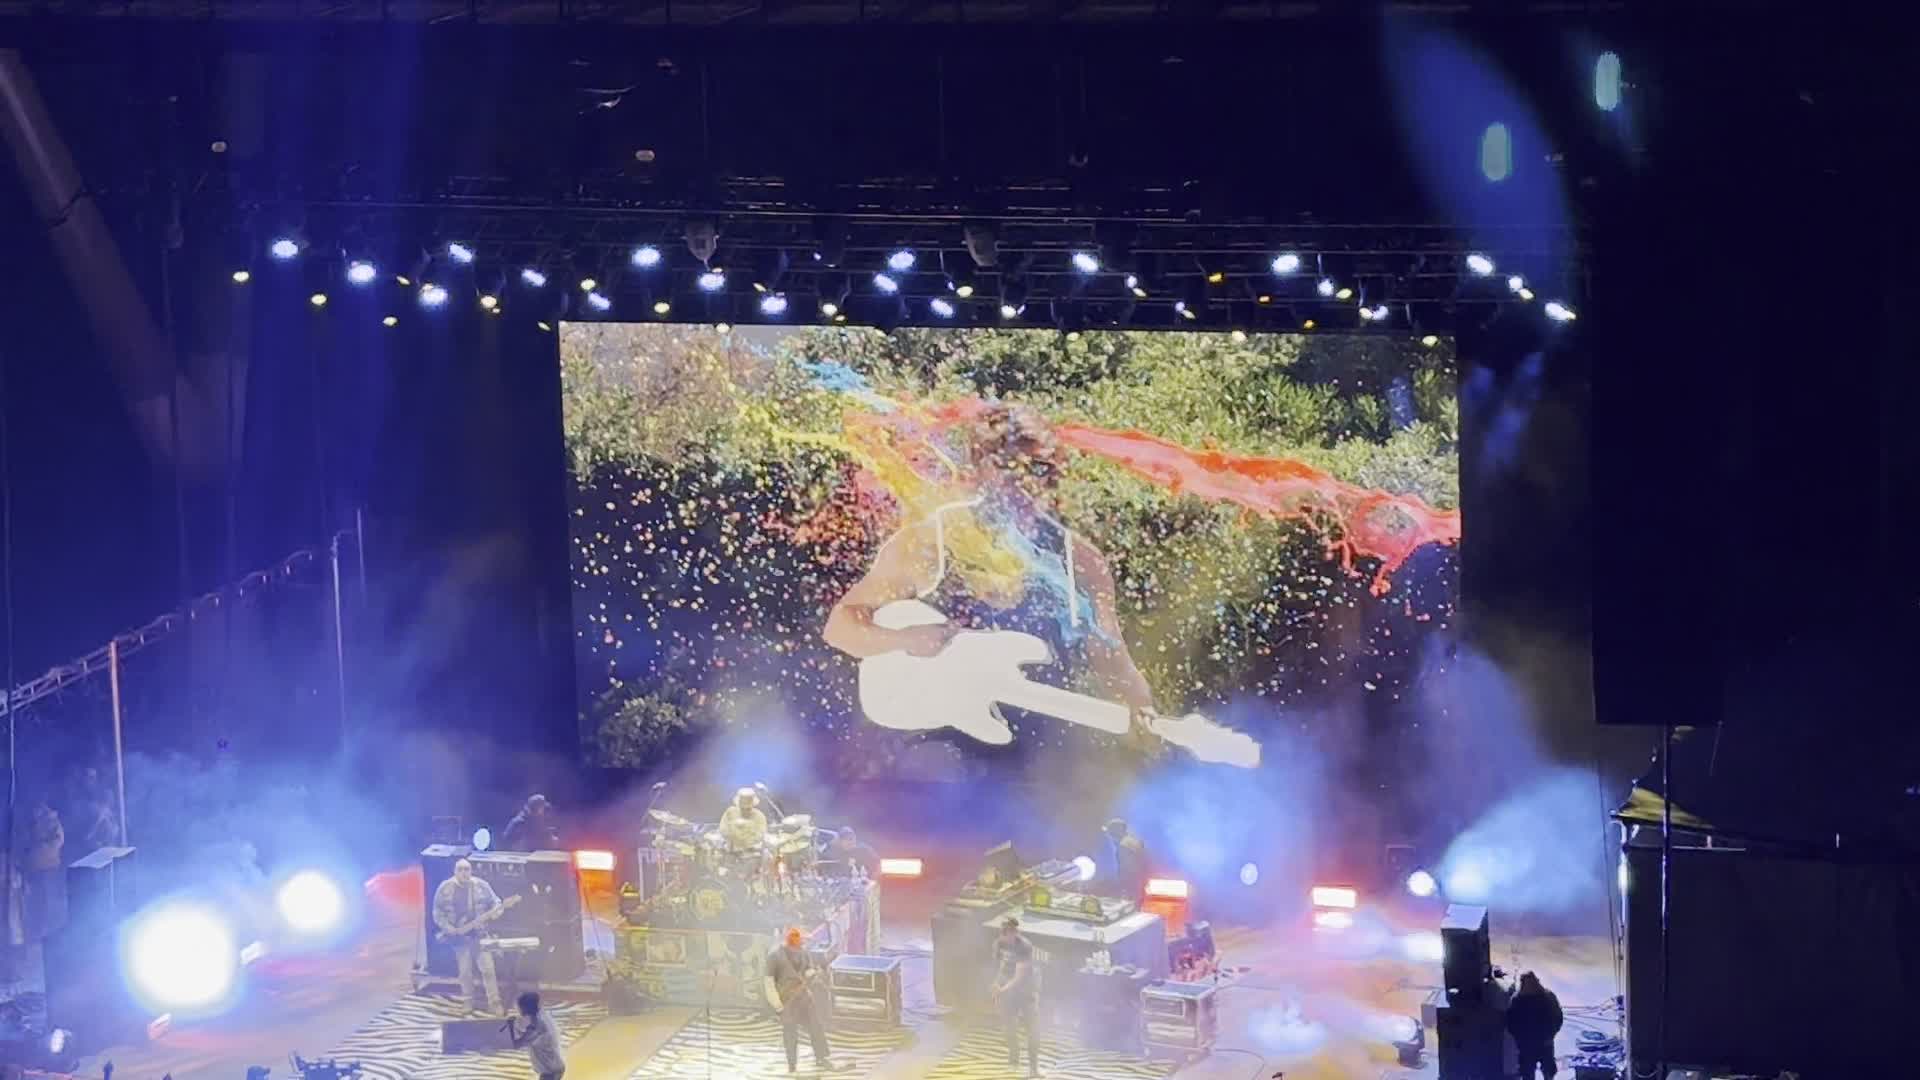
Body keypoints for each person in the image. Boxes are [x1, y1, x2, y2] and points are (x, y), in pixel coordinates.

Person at [824, 404, 1161, 749]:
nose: (1025, 481)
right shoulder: (930, 542)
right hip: (934, 759)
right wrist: (904, 640)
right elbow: (840, 627)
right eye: (1006, 466)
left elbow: (1112, 661)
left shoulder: (1081, 562)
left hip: (1039, 764)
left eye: (1039, 468)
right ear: (978, 466)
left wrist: (1145, 715)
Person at [432, 858, 506, 1014]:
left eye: (467, 869)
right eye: (461, 869)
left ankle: (494, 1002)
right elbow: (437, 912)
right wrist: (448, 928)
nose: (464, 873)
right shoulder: (445, 888)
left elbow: (496, 902)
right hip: (459, 938)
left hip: (480, 935)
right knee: (465, 972)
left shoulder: (481, 886)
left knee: (488, 969)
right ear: (455, 871)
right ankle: (468, 1001)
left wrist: (496, 912)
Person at [763, 927, 839, 1074]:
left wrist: (812, 974)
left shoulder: (803, 952)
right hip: (786, 1001)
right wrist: (777, 1005)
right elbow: (769, 982)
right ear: (788, 943)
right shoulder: (774, 957)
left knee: (816, 1027)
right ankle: (792, 1066)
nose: (800, 947)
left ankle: (821, 1058)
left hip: (804, 997)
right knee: (790, 1033)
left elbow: (807, 969)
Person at [991, 916, 1040, 1077]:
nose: (1008, 936)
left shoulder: (1024, 946)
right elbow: (998, 967)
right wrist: (996, 985)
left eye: (1012, 932)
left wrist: (1002, 990)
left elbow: (1019, 977)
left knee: (1032, 1029)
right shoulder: (998, 943)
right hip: (1006, 988)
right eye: (1004, 933)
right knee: (1008, 1026)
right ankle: (1014, 1060)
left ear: (1015, 932)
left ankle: (1034, 1069)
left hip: (1026, 989)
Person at [1506, 971, 1565, 1079]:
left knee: (1545, 1071)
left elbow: (1557, 1018)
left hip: (1539, 1043)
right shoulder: (1518, 1000)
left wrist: (1550, 1035)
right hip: (1531, 1044)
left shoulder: (1546, 997)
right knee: (1530, 1072)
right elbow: (1511, 1023)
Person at [507, 990, 566, 1080]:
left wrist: (510, 1027)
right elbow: (530, 1038)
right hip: (553, 1068)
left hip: (550, 1071)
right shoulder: (541, 1016)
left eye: (518, 1006)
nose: (517, 1008)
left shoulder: (537, 1025)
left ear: (525, 1008)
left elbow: (517, 1044)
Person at [1102, 818, 1148, 900]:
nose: (1109, 836)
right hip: (1141, 884)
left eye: (1110, 833)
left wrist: (1124, 889)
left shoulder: (1123, 846)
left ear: (1115, 833)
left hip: (1132, 888)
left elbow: (1127, 870)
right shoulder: (1134, 840)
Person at [718, 787, 769, 853]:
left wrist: (746, 840)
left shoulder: (759, 816)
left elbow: (761, 834)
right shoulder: (730, 813)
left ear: (753, 805)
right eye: (742, 808)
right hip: (732, 851)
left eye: (748, 808)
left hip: (752, 852)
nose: (745, 810)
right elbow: (723, 829)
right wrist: (733, 836)